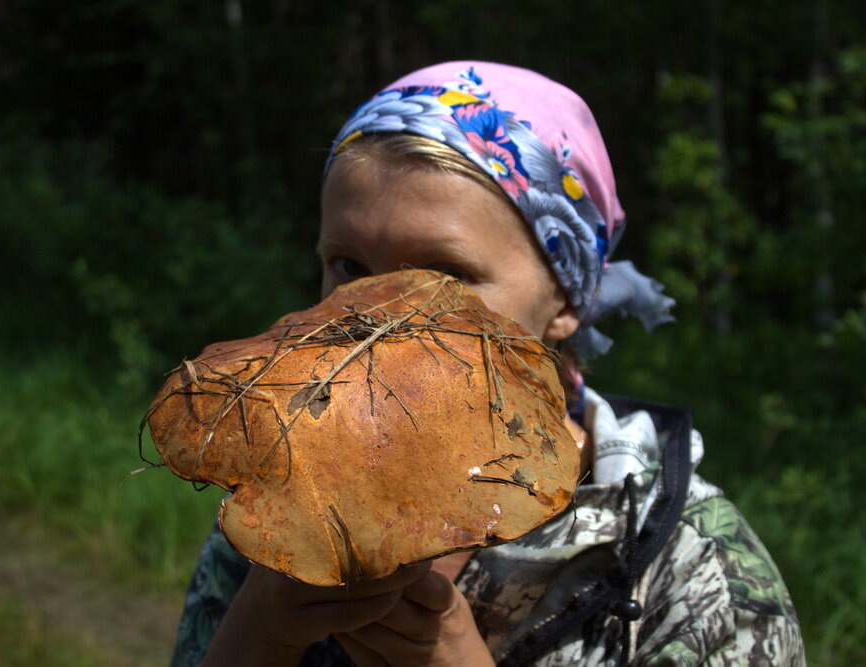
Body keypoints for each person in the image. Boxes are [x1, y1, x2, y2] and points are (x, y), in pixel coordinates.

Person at [171, 61, 805, 666]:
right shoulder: (287, 497)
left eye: (444, 277)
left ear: (565, 300)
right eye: (349, 266)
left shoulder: (690, 566)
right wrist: (259, 636)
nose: (375, 313)